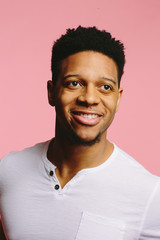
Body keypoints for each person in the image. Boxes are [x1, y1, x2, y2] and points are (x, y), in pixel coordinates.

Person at [0, 26, 160, 240]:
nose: (90, 98)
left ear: (118, 98)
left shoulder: (149, 194)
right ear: (51, 92)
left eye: (105, 87)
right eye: (74, 83)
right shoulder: (9, 171)